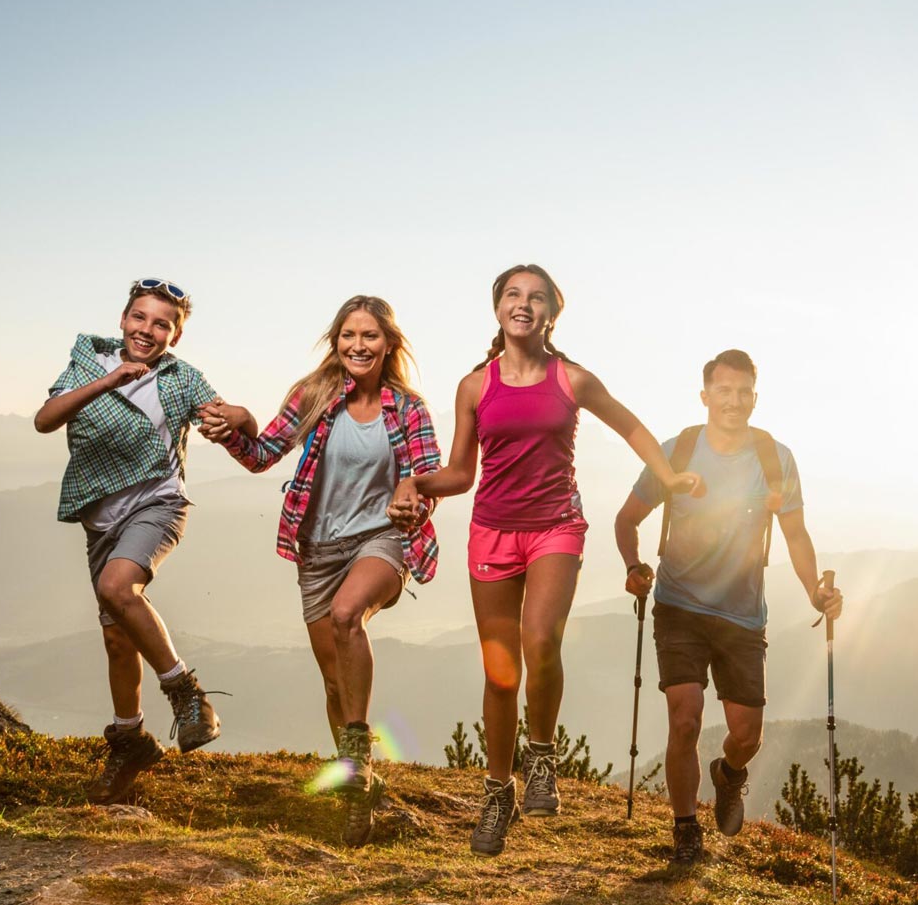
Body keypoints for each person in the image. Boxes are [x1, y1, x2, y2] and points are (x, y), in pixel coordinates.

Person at [391, 264, 702, 856]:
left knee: (541, 642)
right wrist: (415, 483)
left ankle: (541, 757)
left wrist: (669, 478)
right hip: (491, 533)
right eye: (513, 294)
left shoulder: (573, 379)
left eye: (537, 298)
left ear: (552, 314)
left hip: (556, 528)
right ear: (498, 308)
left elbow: (631, 426)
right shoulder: (475, 386)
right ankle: (496, 792)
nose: (523, 304)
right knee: (499, 668)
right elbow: (460, 473)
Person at [195, 296, 442, 846]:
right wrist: (237, 424)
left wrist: (414, 504)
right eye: (349, 335)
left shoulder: (409, 409)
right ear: (336, 341)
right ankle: (356, 780)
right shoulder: (312, 396)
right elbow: (262, 455)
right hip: (318, 548)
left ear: (389, 344)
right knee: (334, 681)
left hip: (382, 540)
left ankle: (360, 763)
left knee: (348, 615)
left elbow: (428, 480)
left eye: (370, 336)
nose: (358, 345)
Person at [613, 349, 841, 865]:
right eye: (724, 391)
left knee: (746, 735)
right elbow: (626, 519)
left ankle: (728, 774)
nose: (733, 401)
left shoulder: (775, 459)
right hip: (679, 605)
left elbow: (796, 534)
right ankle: (685, 829)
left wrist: (814, 592)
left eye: (743, 393)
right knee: (685, 719)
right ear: (705, 396)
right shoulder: (677, 451)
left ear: (755, 398)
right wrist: (633, 566)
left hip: (742, 613)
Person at [34, 278, 242, 804]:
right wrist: (110, 382)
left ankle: (188, 697)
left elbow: (236, 419)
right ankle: (130, 740)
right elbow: (45, 420)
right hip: (99, 518)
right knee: (115, 636)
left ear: (174, 335)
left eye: (161, 324)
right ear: (123, 320)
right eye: (140, 318)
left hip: (158, 504)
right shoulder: (87, 361)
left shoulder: (181, 378)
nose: (147, 330)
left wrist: (236, 419)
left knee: (119, 586)